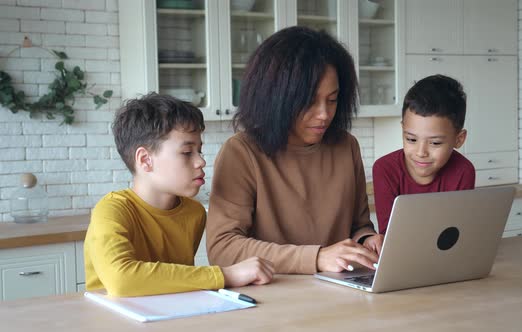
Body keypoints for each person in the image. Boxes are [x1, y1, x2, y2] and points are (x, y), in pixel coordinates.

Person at [206, 26, 383, 275]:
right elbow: (222, 248)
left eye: (332, 100)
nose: (324, 114)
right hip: (274, 294)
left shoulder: (346, 146)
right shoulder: (241, 152)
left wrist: (368, 240)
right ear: (276, 98)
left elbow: (358, 225)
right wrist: (316, 258)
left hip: (340, 289)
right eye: (309, 101)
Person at [84, 93, 274, 297]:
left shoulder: (195, 213)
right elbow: (121, 279)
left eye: (199, 151)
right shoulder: (111, 210)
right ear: (145, 160)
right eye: (187, 152)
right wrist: (226, 275)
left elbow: (176, 284)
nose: (201, 161)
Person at [372, 75, 476, 234]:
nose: (421, 153)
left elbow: (456, 231)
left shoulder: (464, 170)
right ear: (402, 129)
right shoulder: (384, 169)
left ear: (459, 139)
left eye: (435, 143)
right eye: (411, 139)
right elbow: (388, 235)